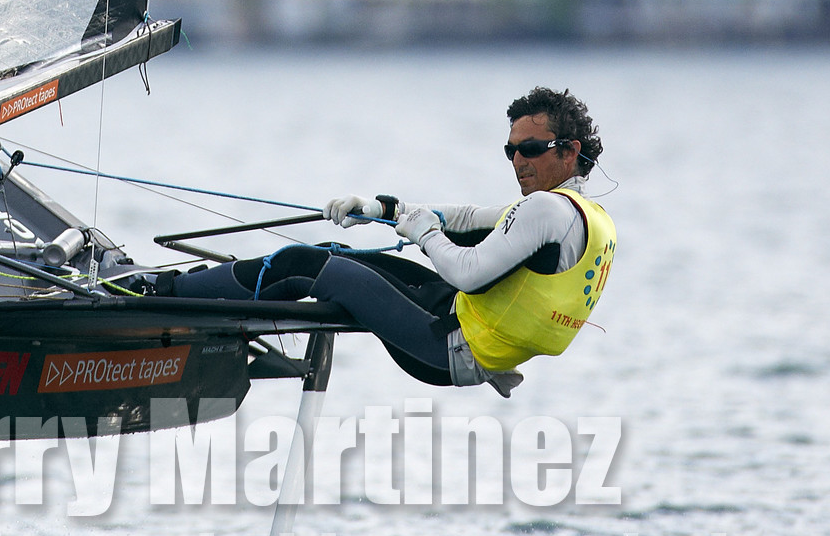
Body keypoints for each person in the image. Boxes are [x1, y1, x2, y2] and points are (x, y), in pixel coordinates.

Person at [169, 84, 615, 395]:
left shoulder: (546, 209)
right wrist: (383, 209)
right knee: (334, 257)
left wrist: (425, 234)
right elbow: (466, 219)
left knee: (301, 265)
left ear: (569, 151)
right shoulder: (586, 217)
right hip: (453, 317)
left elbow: (469, 274)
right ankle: (197, 298)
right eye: (510, 150)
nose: (518, 160)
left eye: (530, 148)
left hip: (446, 347)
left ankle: (168, 295)